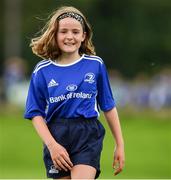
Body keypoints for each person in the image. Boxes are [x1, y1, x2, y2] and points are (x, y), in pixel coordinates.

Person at [24, 6, 125, 179]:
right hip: (56, 134)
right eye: (63, 31)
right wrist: (52, 145)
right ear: (55, 34)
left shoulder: (96, 65)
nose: (69, 36)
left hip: (87, 133)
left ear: (83, 36)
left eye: (75, 32)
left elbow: (108, 106)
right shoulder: (42, 71)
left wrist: (120, 144)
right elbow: (35, 113)